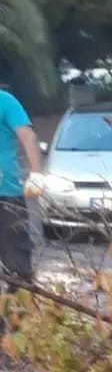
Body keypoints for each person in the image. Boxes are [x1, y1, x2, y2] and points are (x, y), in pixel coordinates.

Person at [0, 88, 44, 290]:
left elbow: (28, 138)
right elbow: (28, 138)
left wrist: (36, 174)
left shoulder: (5, 102)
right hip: (7, 197)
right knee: (16, 264)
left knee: (17, 265)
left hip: (6, 195)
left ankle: (14, 318)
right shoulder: (6, 101)